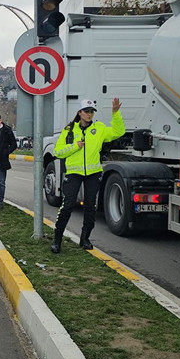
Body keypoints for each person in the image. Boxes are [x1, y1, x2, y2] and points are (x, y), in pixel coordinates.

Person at [51, 98, 125, 253]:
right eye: (86, 111)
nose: (89, 114)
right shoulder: (69, 130)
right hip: (73, 173)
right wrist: (74, 147)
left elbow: (119, 132)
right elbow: (57, 151)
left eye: (91, 111)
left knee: (91, 206)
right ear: (80, 113)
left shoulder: (99, 128)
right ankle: (57, 240)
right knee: (68, 205)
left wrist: (115, 113)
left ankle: (85, 239)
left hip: (93, 173)